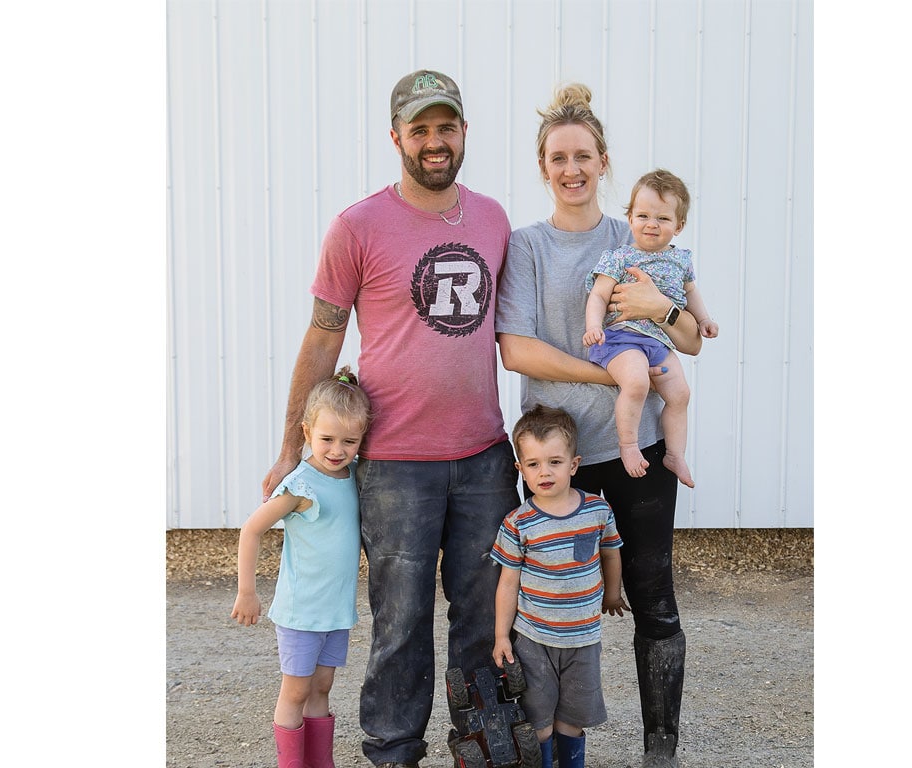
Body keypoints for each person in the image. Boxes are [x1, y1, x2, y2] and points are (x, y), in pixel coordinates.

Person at [260, 69, 520, 768]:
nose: (435, 141)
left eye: (446, 127)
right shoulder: (357, 226)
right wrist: (290, 446)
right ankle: (393, 753)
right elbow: (324, 337)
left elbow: (516, 330)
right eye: (420, 129)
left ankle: (481, 749)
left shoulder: (493, 219)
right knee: (401, 621)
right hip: (395, 464)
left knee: (483, 616)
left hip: (485, 456)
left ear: (464, 132)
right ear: (396, 136)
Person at [494, 82, 700, 768]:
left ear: (604, 161)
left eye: (583, 155)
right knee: (548, 602)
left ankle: (660, 750)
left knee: (653, 597)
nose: (572, 168)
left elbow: (690, 341)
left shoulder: (638, 234)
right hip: (556, 458)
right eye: (558, 157)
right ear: (543, 167)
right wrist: (613, 375)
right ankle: (551, 746)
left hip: (637, 447)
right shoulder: (527, 247)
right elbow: (516, 349)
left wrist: (662, 311)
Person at [232, 366, 372, 768]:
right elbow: (251, 530)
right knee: (295, 691)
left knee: (322, 687)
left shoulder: (352, 477)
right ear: (307, 432)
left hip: (335, 610)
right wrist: (247, 591)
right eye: (327, 439)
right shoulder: (301, 485)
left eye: (349, 441)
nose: (337, 450)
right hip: (301, 611)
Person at [490, 404, 628, 768]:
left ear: (574, 464)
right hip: (534, 638)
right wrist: (502, 636)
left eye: (554, 462)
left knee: (572, 719)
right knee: (539, 721)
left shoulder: (597, 511)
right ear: (520, 469)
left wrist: (613, 592)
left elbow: (611, 553)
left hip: (583, 638)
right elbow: (508, 584)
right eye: (533, 464)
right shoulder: (518, 523)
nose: (544, 472)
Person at [583, 169, 720, 489]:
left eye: (662, 218)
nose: (651, 224)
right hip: (621, 339)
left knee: (680, 393)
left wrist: (704, 319)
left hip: (659, 342)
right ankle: (628, 445)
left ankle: (675, 454)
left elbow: (690, 293)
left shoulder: (681, 260)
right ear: (630, 218)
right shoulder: (620, 257)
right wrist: (593, 325)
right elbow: (599, 295)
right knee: (636, 382)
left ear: (679, 226)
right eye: (643, 215)